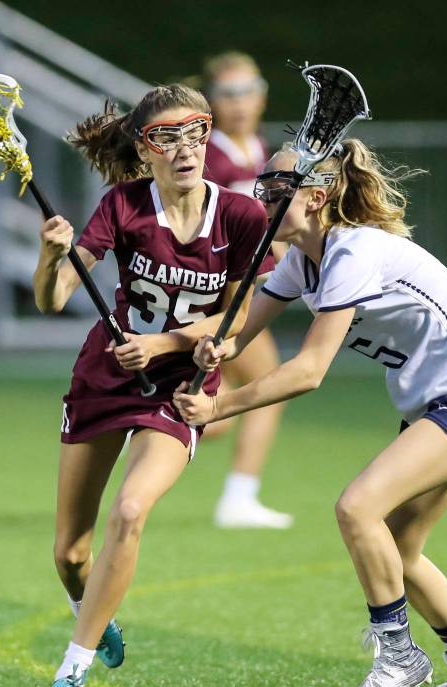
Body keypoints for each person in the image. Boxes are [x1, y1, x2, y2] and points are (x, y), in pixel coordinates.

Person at [174, 139, 447, 687]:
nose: (262, 199)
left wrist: (218, 407)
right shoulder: (301, 259)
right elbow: (242, 328)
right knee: (400, 550)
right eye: (261, 187)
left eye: (277, 190)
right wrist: (217, 345)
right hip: (434, 404)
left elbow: (309, 371)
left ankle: (398, 658)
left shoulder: (351, 254)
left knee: (357, 508)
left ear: (316, 198)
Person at [37, 84, 267, 687]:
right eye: (168, 136)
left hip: (179, 389)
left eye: (197, 131)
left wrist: (164, 343)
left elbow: (238, 315)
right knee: (69, 554)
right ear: (146, 148)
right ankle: (95, 612)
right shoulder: (123, 204)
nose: (188, 147)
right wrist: (50, 254)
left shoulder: (243, 217)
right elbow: (53, 298)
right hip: (103, 380)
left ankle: (72, 673)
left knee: (132, 509)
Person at [198, 51, 291, 529]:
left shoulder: (257, 147)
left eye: (247, 89)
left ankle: (143, 421)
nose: (239, 102)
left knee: (219, 415)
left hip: (242, 290)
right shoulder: (207, 156)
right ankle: (238, 497)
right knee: (266, 386)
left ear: (262, 93)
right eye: (227, 94)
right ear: (211, 102)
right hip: (219, 294)